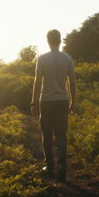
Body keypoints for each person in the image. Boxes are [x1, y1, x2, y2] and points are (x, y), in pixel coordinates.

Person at [31, 29, 76, 182]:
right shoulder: (68, 59)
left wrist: (33, 102)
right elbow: (72, 83)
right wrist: (73, 101)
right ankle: (63, 169)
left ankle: (49, 167)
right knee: (61, 136)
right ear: (60, 40)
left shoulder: (42, 59)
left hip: (46, 101)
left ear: (48, 41)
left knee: (47, 135)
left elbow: (37, 82)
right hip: (63, 101)